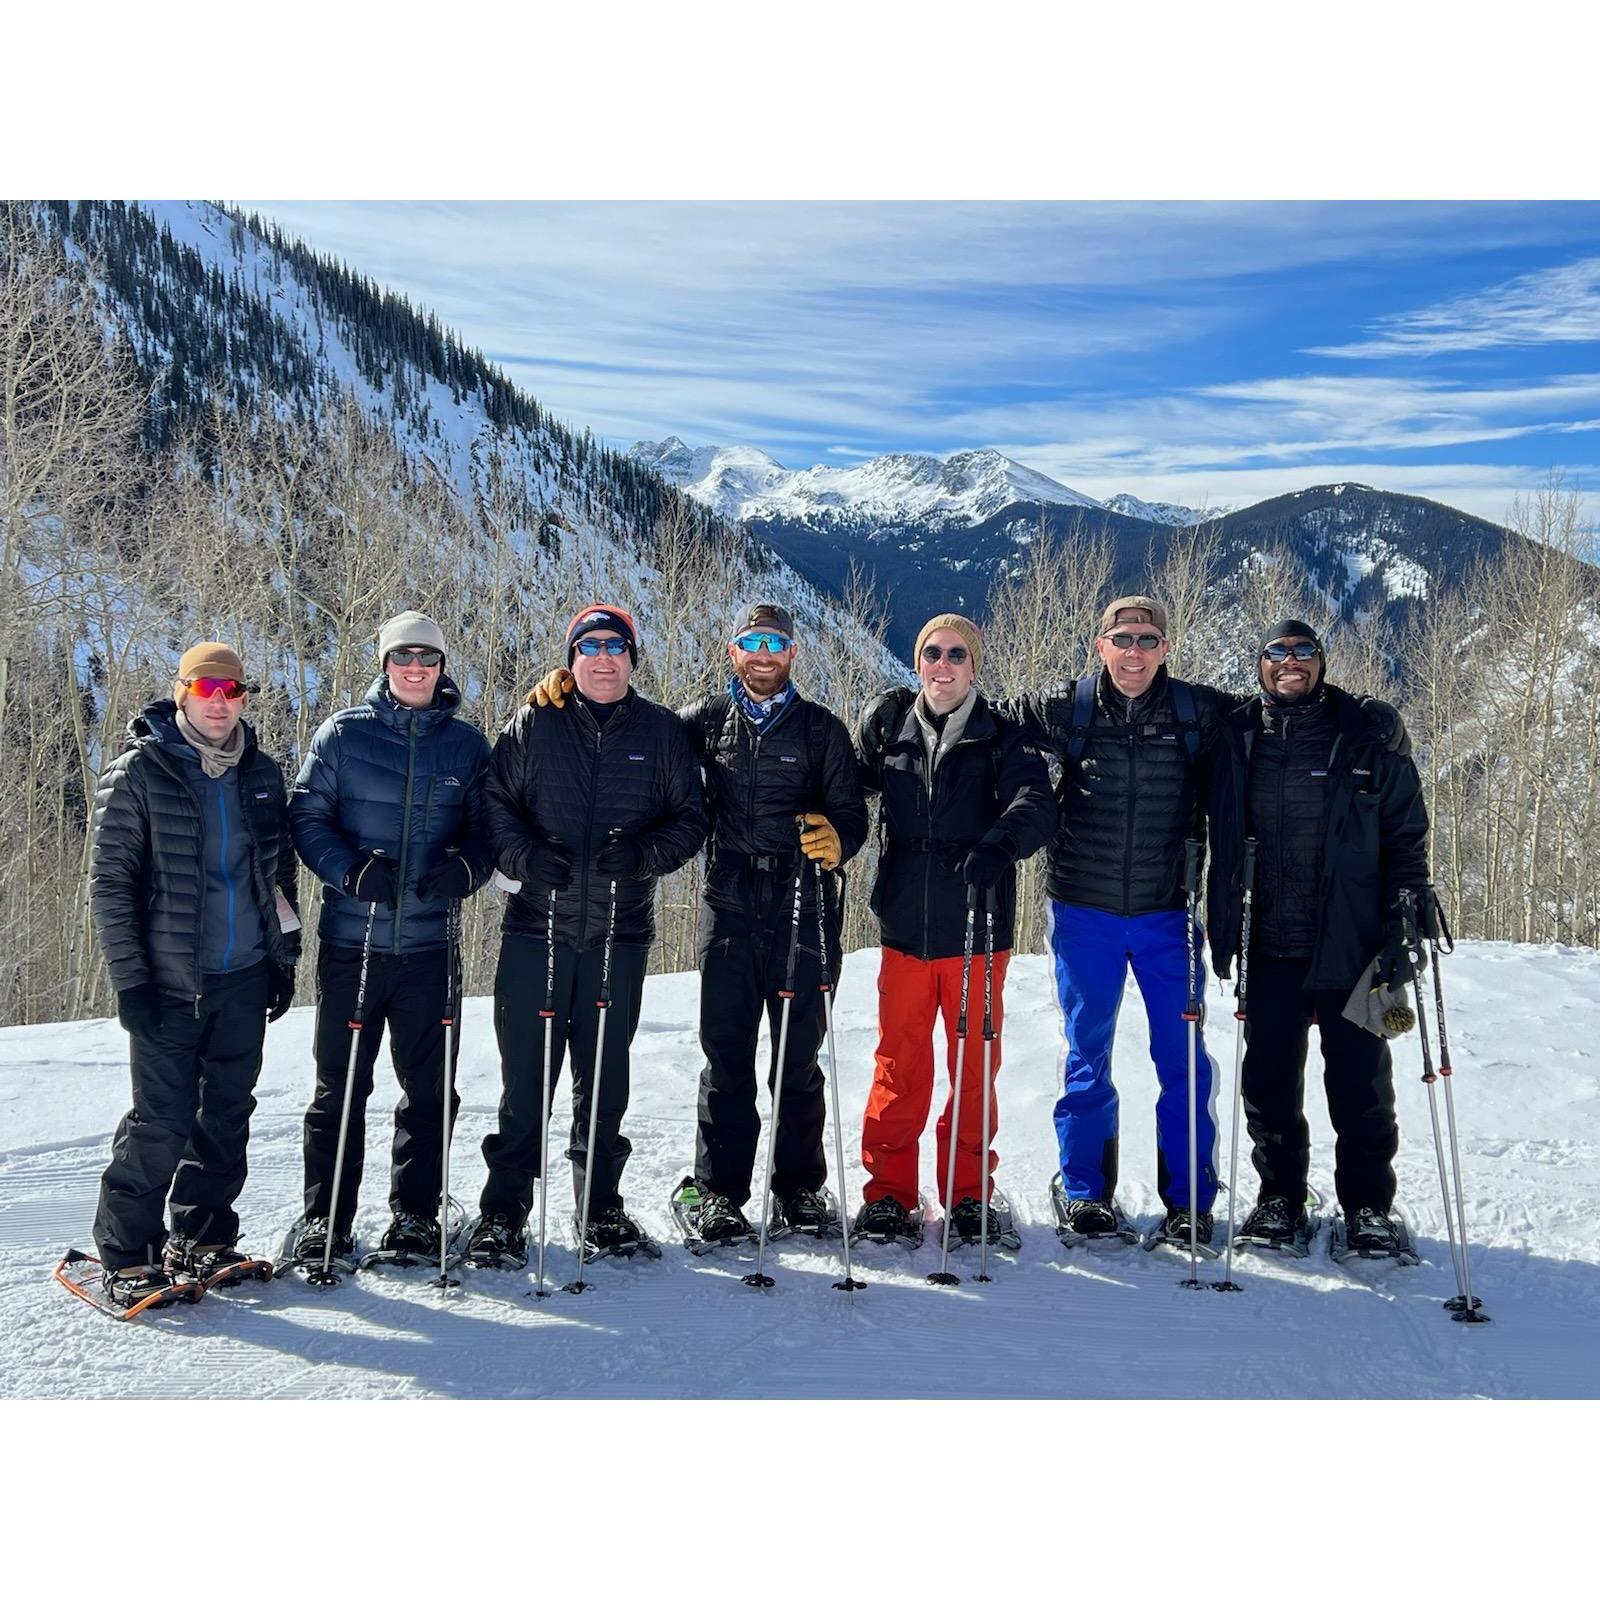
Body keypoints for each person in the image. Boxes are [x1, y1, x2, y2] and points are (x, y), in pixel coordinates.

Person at [532, 600, 867, 1242]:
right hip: (730, 902)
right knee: (727, 1051)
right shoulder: (700, 723)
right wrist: (563, 689)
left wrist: (840, 839)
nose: (764, 653)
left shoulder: (822, 730)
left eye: (776, 642)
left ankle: (799, 1189)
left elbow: (851, 812)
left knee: (798, 1056)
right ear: (732, 652)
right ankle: (718, 1189)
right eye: (751, 642)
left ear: (793, 653)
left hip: (805, 905)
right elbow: (631, 726)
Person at [468, 604, 707, 1263]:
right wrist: (520, 858)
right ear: (571, 659)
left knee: (604, 1081)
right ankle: (503, 1213)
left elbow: (691, 820)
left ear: (633, 658)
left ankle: (600, 1208)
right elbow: (493, 806)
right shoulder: (535, 723)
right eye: (590, 646)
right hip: (534, 934)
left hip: (618, 936)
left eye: (616, 647)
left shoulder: (661, 734)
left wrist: (643, 855)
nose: (604, 658)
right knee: (525, 1084)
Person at [1000, 595, 1230, 1244]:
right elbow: (982, 718)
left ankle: (1190, 1202)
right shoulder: (1066, 708)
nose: (1135, 653)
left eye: (1148, 641)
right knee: (1086, 1057)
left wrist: (1359, 719)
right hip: (1083, 913)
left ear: (1165, 649)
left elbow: (1277, 717)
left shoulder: (1197, 713)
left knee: (1183, 1061)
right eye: (1122, 640)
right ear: (1099, 646)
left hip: (1168, 917)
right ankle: (1085, 1194)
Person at [1208, 620, 1430, 1255]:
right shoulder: (1234, 735)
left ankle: (1367, 1207)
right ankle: (1281, 1198)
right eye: (1276, 653)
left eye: (1303, 652)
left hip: (1352, 943)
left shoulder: (1366, 736)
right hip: (1267, 938)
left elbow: (1406, 836)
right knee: (1269, 1080)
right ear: (1259, 664)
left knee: (1360, 1083)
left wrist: (1405, 913)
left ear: (1322, 662)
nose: (1290, 663)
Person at [88, 643, 300, 1306]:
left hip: (242, 976)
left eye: (232, 690)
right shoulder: (141, 773)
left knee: (227, 1113)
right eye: (206, 688)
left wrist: (281, 959)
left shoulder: (261, 774)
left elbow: (278, 876)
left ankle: (203, 1236)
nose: (219, 701)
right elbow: (110, 885)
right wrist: (132, 981)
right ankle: (127, 1252)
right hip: (170, 981)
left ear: (243, 698)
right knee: (164, 1119)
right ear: (182, 693)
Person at [287, 611, 492, 1265]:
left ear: (441, 668)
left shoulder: (465, 746)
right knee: (341, 1087)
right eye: (403, 656)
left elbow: (489, 830)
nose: (415, 668)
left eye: (427, 659)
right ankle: (326, 1220)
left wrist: (465, 867)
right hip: (355, 940)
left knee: (431, 1088)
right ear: (384, 663)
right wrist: (349, 869)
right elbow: (306, 813)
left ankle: (415, 1214)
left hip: (432, 946)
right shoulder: (343, 736)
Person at [853, 615, 1054, 1243]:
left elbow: (1036, 802)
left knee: (973, 1065)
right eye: (932, 653)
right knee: (899, 1064)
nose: (944, 665)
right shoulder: (890, 729)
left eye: (957, 655)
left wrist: (1000, 845)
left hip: (977, 925)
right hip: (907, 926)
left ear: (975, 667)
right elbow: (842, 785)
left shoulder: (1001, 736)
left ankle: (968, 1195)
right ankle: (889, 1192)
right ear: (918, 663)